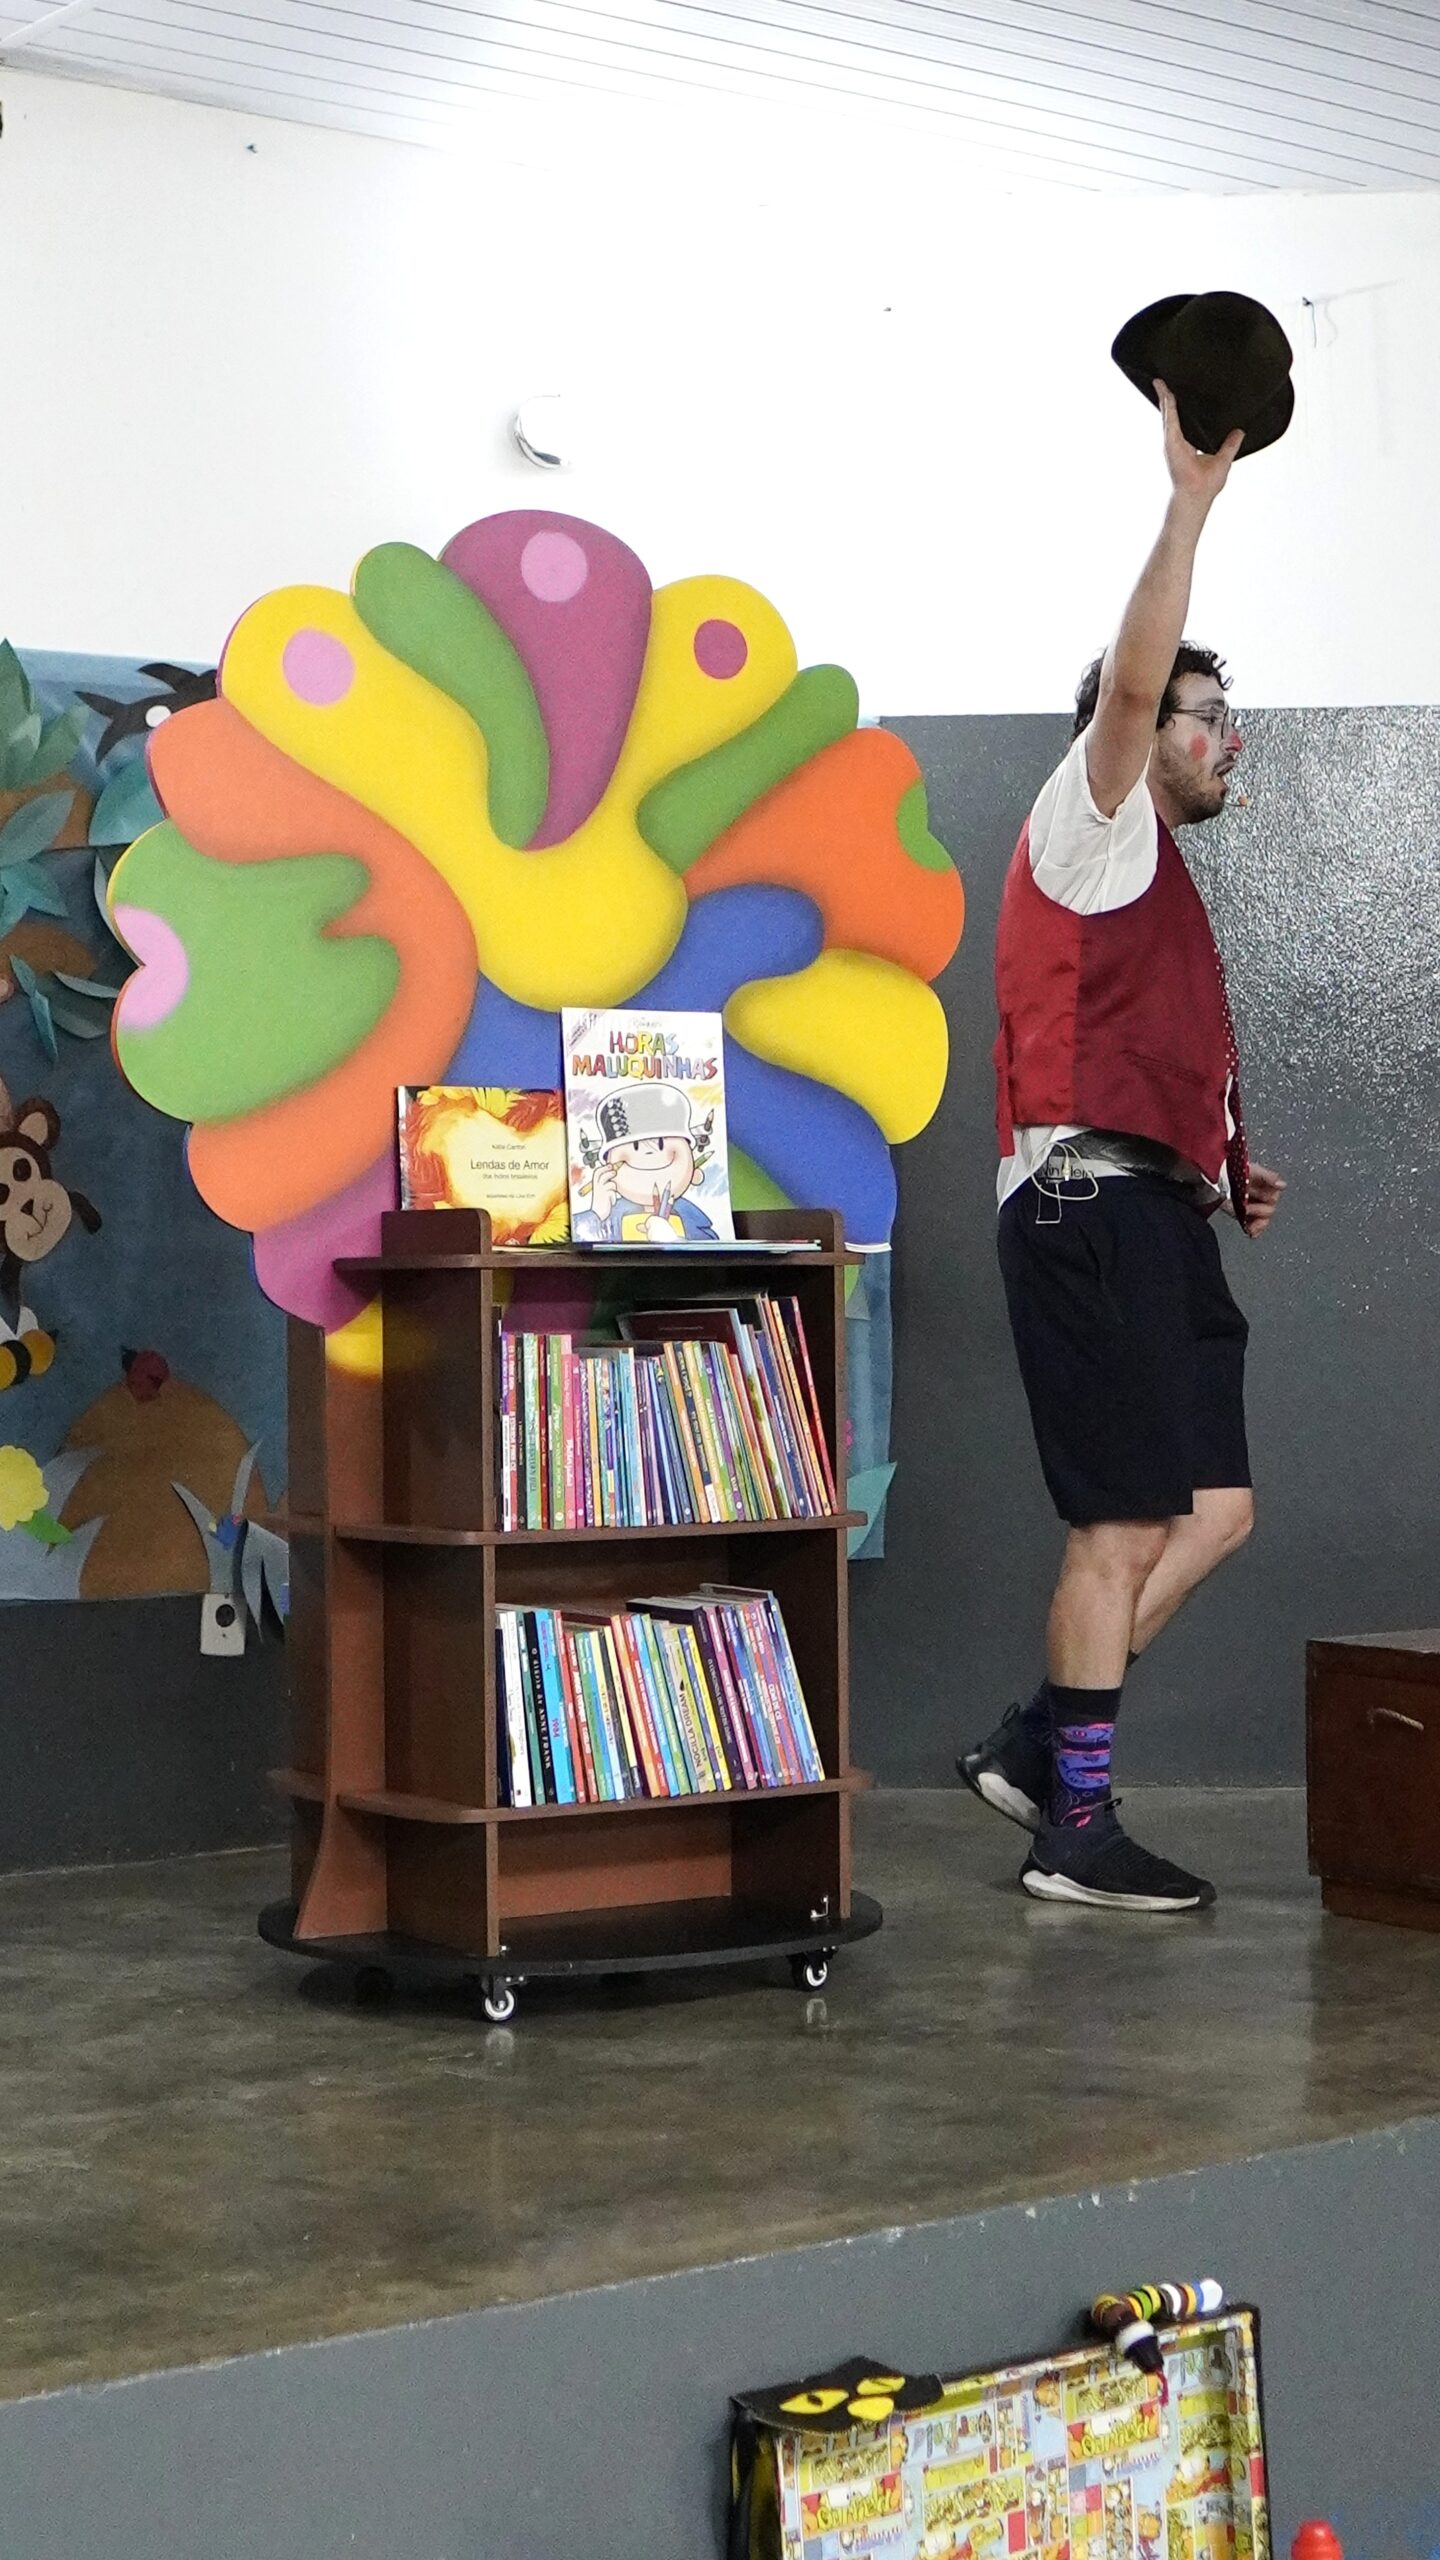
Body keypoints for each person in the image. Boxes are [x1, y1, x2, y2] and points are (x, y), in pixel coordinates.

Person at [959, 380, 1285, 1914]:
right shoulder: (1093, 815)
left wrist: (1220, 1159)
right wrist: (1190, 504)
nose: (1228, 741)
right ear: (1145, 726)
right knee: (1122, 1521)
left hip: (1153, 1207)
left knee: (1215, 1511)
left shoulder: (1147, 879)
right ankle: (1072, 1827)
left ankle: (1040, 1743)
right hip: (1085, 1210)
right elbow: (1136, 680)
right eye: (1206, 718)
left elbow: (1141, 1050)